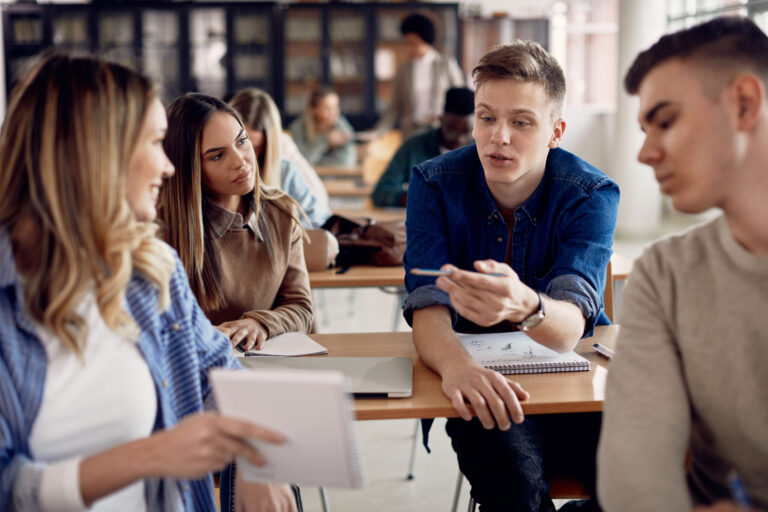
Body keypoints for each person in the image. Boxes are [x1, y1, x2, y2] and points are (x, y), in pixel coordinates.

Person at [0, 54, 296, 511]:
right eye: (155, 143)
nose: (169, 167)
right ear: (97, 153)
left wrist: (257, 461)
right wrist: (150, 456)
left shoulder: (151, 270)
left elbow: (221, 378)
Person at [403, 41, 619, 511]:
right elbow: (427, 307)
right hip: (480, 382)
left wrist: (527, 306)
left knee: (641, 486)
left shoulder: (591, 194)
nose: (498, 137)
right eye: (486, 117)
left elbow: (570, 327)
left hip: (577, 388)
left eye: (521, 122)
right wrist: (458, 367)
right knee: (514, 491)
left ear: (555, 132)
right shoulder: (434, 183)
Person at [598, 16, 768, 512]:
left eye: (666, 122)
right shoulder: (664, 274)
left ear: (744, 104)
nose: (645, 153)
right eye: (644, 129)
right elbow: (635, 468)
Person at [159, 93, 314, 353]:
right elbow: (152, 325)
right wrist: (201, 335)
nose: (240, 160)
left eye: (242, 142)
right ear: (189, 168)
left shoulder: (281, 212)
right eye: (217, 156)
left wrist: (260, 324)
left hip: (268, 363)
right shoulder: (161, 229)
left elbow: (301, 308)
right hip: (193, 364)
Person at [229, 88, 331, 228]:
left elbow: (319, 215)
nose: (247, 159)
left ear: (269, 145)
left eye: (257, 148)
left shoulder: (285, 171)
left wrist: (289, 231)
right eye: (241, 145)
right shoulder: (215, 170)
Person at [372, 86, 475, 207]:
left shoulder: (481, 151)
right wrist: (420, 196)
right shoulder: (413, 147)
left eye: (466, 132)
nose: (459, 138)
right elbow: (381, 193)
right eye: (451, 129)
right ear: (441, 120)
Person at [374, 13, 466, 139]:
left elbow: (461, 100)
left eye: (414, 43)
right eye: (407, 43)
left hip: (441, 132)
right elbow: (395, 108)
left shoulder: (446, 65)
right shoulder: (403, 71)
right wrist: (379, 131)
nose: (409, 48)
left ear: (426, 39)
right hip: (411, 133)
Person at [288, 85, 357, 168]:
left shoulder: (341, 126)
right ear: (313, 110)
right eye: (328, 108)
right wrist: (325, 140)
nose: (334, 112)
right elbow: (301, 161)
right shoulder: (298, 128)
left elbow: (346, 162)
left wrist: (316, 161)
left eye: (336, 107)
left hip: (335, 175)